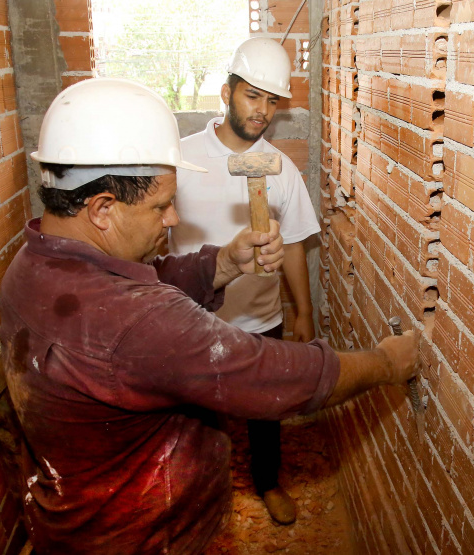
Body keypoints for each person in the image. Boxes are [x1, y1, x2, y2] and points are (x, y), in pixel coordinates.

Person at [0, 77, 419, 555]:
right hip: (148, 538)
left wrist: (224, 262)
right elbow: (273, 374)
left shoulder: (33, 263)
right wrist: (386, 362)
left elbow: (146, 282)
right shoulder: (137, 324)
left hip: (77, 521)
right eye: (160, 205)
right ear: (102, 209)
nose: (173, 218)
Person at [169, 37, 316, 525]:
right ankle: (196, 493)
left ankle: (268, 481)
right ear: (226, 92)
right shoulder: (181, 159)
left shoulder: (281, 169)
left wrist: (304, 313)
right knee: (192, 417)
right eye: (253, 96)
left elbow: (293, 242)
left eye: (271, 101)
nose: (262, 111)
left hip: (259, 316)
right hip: (191, 318)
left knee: (265, 409)